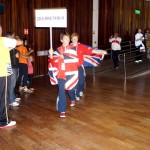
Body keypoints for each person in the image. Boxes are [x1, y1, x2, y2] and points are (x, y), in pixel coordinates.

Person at [49, 32, 78, 118]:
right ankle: (62, 110)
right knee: (61, 91)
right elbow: (53, 61)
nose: (68, 40)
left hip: (71, 73)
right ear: (61, 40)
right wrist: (51, 55)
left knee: (70, 89)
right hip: (61, 73)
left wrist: (62, 57)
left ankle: (72, 98)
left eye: (68, 38)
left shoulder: (73, 48)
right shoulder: (58, 50)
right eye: (65, 38)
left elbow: (73, 57)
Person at [71, 33, 107, 101]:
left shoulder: (81, 46)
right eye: (73, 38)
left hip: (79, 66)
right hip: (72, 67)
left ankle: (80, 90)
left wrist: (101, 51)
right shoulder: (69, 47)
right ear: (71, 39)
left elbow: (91, 50)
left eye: (76, 38)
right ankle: (77, 94)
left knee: (81, 81)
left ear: (78, 39)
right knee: (75, 82)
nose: (75, 40)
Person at [0, 25, 22, 128]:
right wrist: (15, 38)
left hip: (3, 72)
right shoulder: (4, 40)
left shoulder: (3, 43)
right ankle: (4, 121)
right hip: (3, 73)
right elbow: (20, 42)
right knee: (4, 98)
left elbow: (5, 50)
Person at [5, 32, 21, 107]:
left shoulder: (11, 47)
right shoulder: (10, 48)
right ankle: (11, 100)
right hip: (12, 66)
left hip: (13, 66)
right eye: (13, 37)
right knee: (12, 83)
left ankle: (13, 97)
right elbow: (17, 56)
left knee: (13, 83)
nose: (14, 39)